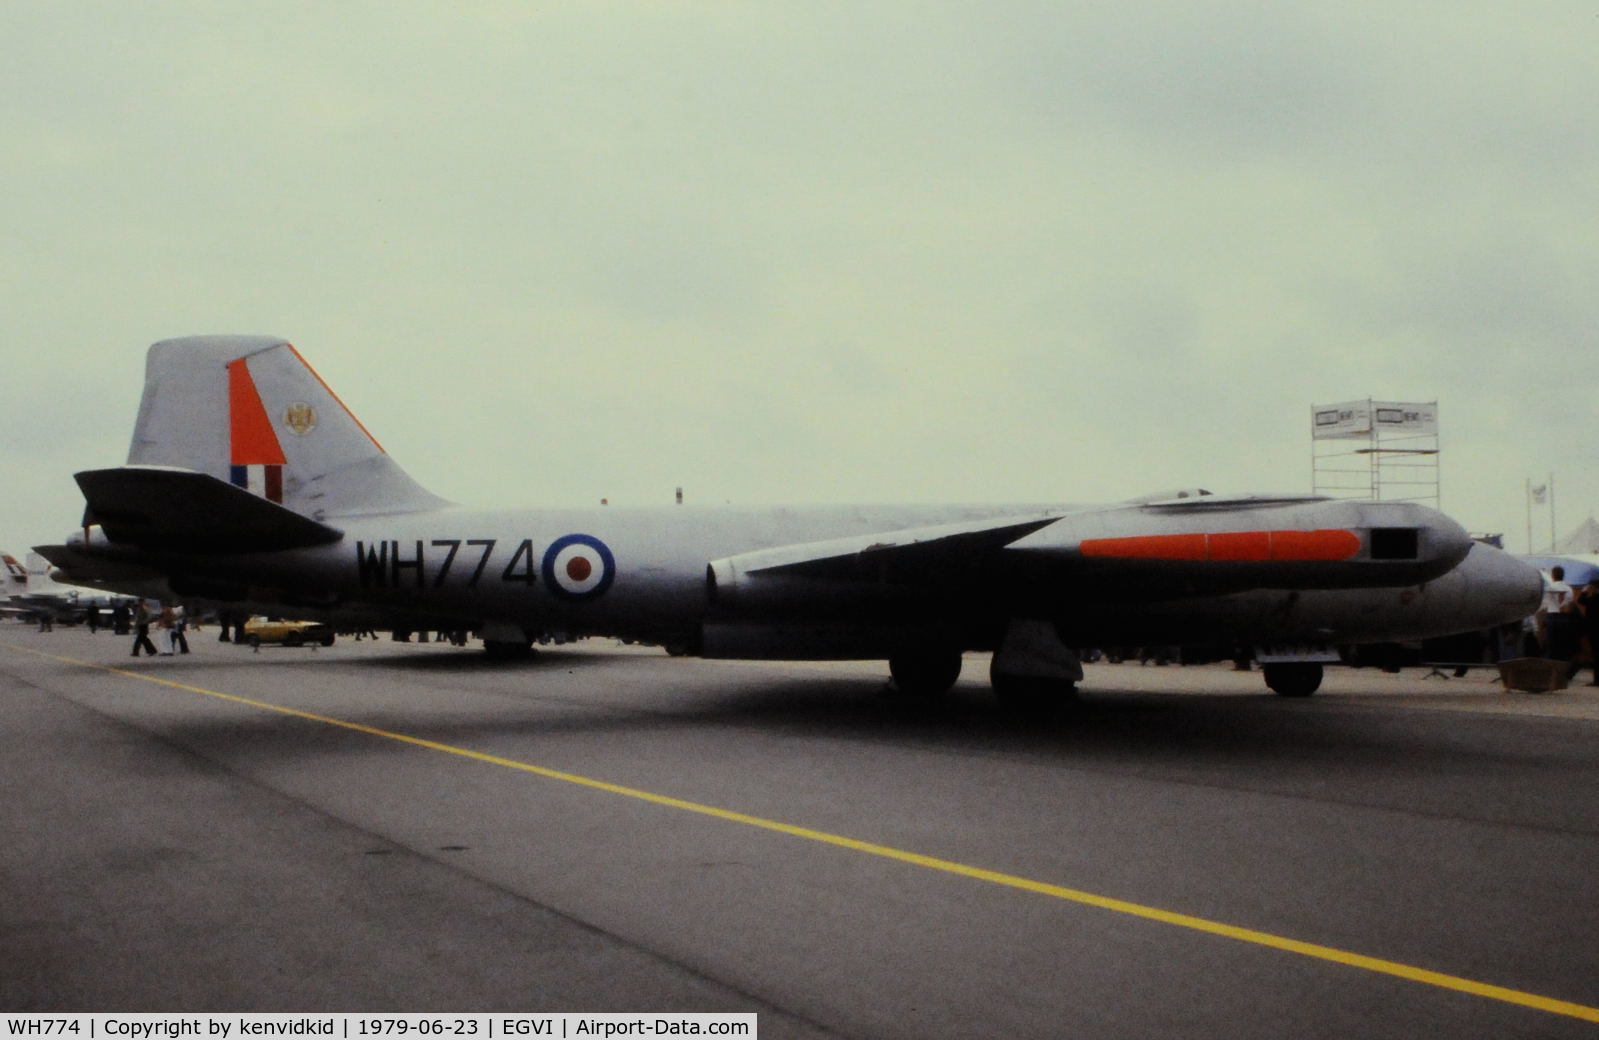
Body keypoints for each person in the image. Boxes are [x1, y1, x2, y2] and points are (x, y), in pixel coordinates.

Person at [1577, 578, 1599, 686]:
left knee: (1596, 654)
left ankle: (1597, 680)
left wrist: (1584, 591)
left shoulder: (1593, 599)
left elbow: (1580, 600)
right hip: (1593, 630)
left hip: (1594, 631)